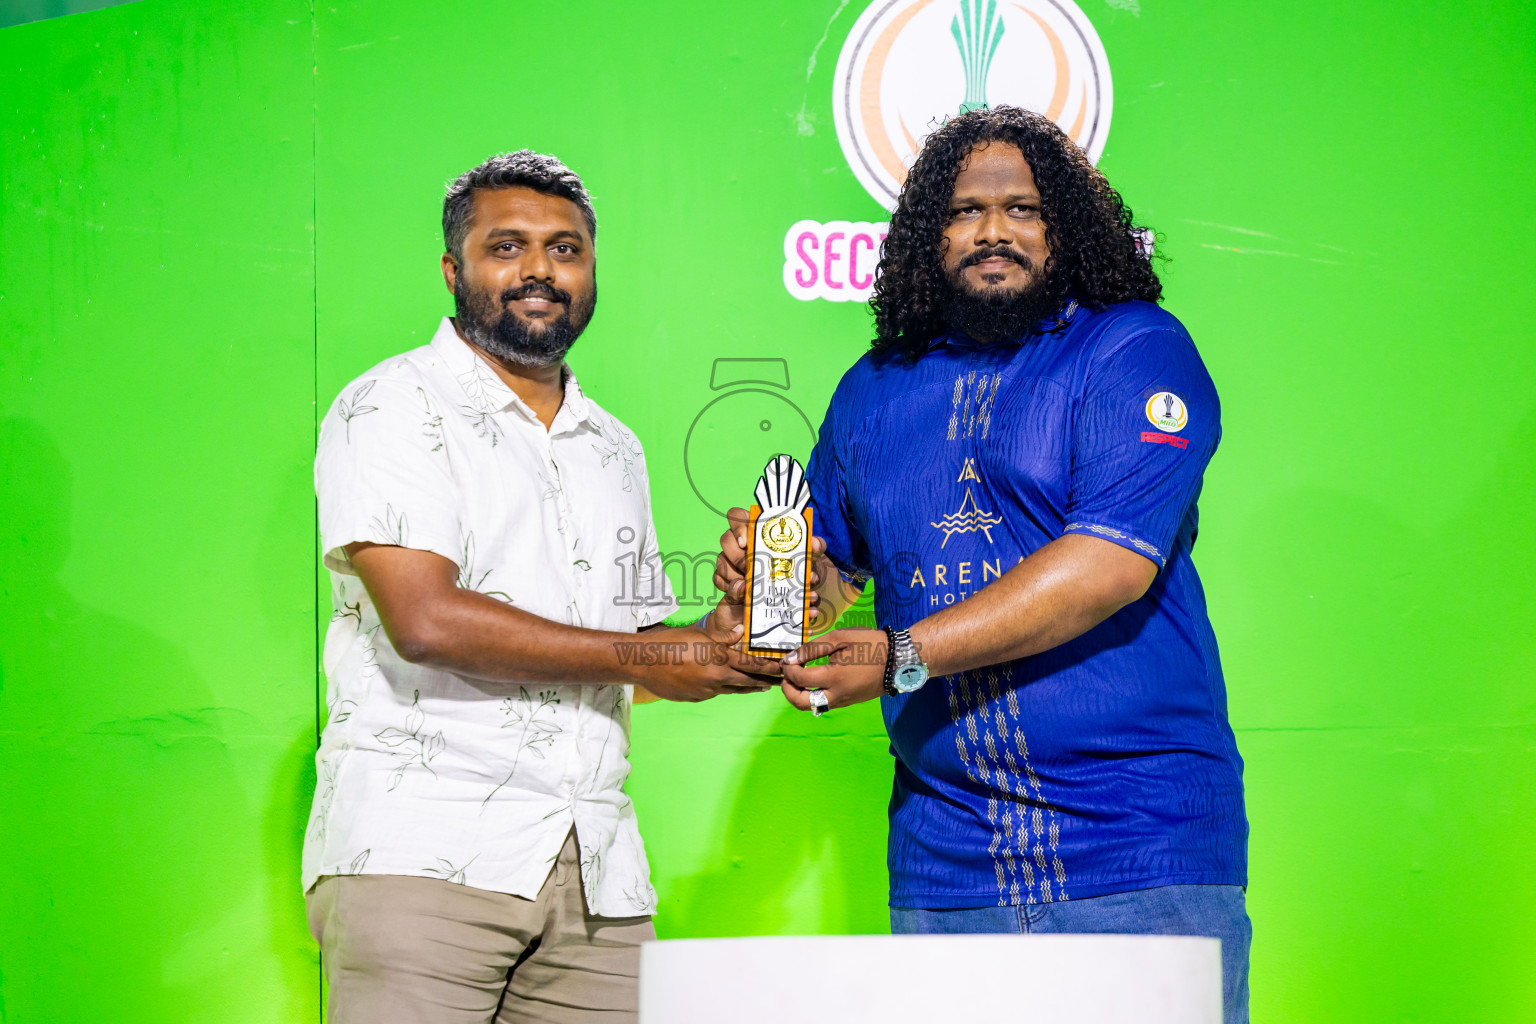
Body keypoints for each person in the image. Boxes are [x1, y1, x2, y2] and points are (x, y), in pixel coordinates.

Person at [714, 106, 1250, 1022]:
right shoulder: (872, 388)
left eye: (1024, 210)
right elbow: (829, 588)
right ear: (930, 235)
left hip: (1135, 851)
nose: (993, 230)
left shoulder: (1130, 348)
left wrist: (901, 656)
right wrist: (777, 592)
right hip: (944, 867)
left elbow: (1105, 566)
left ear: (1065, 229)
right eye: (964, 211)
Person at [304, 150, 772, 1024]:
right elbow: (426, 620)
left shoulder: (613, 444)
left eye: (566, 250)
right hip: (423, 853)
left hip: (598, 869)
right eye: (506, 247)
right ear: (455, 269)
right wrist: (661, 650)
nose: (539, 272)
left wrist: (739, 624)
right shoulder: (391, 405)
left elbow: (634, 659)